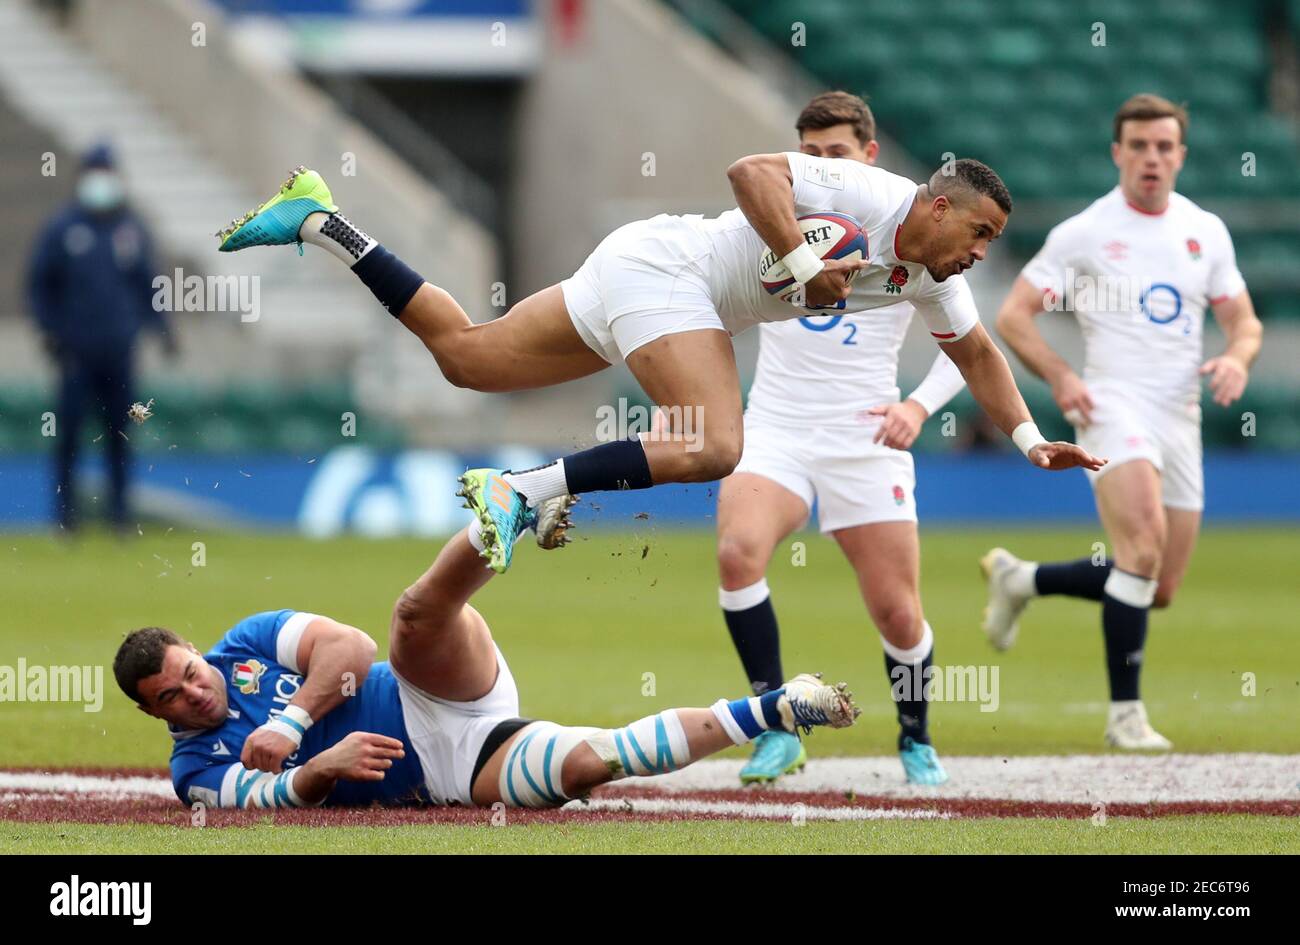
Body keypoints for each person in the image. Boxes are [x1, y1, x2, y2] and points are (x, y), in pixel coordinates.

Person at [217, 151, 1101, 572]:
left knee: (464, 359)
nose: (982, 253)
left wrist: (1029, 441)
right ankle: (522, 489)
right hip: (664, 272)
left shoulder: (933, 280)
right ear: (938, 206)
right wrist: (800, 266)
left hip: (642, 280)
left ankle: (320, 221)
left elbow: (980, 354)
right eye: (980, 232)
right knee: (718, 444)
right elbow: (751, 171)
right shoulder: (873, 194)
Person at [112, 509, 859, 809]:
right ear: (152, 714)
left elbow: (352, 648)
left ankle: (505, 511)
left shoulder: (242, 642)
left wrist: (294, 717)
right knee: (594, 761)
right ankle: (781, 706)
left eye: (189, 670)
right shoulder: (194, 774)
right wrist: (321, 764)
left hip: (423, 689)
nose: (195, 689)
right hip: (456, 766)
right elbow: (271, 803)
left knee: (411, 617)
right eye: (172, 696)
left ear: (193, 647)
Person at [984, 94, 1262, 749]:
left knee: (1157, 586)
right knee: (1138, 550)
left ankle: (1021, 579)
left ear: (1181, 156)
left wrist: (1239, 359)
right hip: (1112, 407)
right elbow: (1014, 314)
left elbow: (1243, 322)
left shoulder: (1204, 232)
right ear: (1117, 152)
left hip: (1179, 417)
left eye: (1164, 147)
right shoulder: (1085, 233)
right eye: (1138, 146)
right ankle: (1125, 717)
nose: (1151, 158)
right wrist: (1062, 375)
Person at [716, 92, 965, 786]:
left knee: (897, 610)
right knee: (738, 554)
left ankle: (915, 737)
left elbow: (968, 346)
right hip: (777, 427)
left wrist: (916, 407)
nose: (822, 167)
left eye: (836, 154)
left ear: (869, 156)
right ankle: (774, 727)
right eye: (810, 155)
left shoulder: (907, 233)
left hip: (864, 438)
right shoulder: (773, 224)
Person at [26, 142, 174, 532]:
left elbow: (147, 284)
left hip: (119, 351)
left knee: (120, 435)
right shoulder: (63, 228)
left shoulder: (130, 229)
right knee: (70, 436)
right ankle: (64, 517)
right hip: (75, 351)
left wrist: (163, 329)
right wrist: (50, 331)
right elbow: (40, 285)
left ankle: (120, 517)